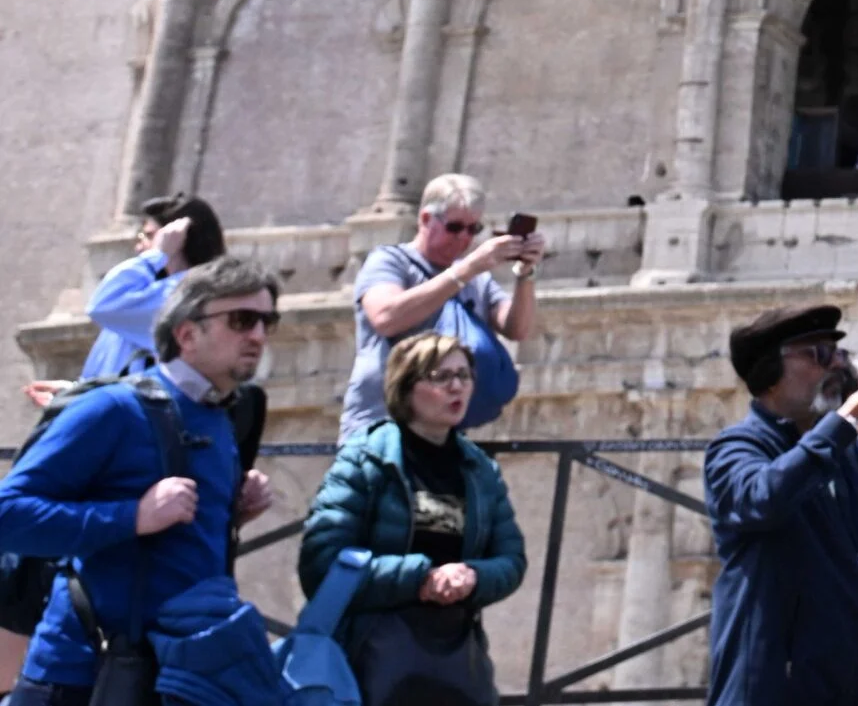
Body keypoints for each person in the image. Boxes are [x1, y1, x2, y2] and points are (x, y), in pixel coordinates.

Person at [0, 257, 282, 706]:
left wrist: (233, 515)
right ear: (186, 334)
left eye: (268, 321)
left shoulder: (221, 416)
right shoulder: (113, 408)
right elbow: (8, 516)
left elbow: (172, 545)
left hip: (176, 674)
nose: (258, 336)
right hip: (83, 676)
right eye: (242, 320)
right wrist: (132, 516)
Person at [701, 303, 858, 706]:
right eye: (820, 355)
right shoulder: (738, 448)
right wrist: (850, 413)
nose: (835, 367)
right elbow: (764, 497)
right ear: (770, 374)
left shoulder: (849, 454)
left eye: (840, 355)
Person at [299, 333, 526, 705]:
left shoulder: (480, 469)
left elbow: (511, 560)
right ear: (406, 387)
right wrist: (419, 578)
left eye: (464, 375)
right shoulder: (365, 457)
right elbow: (321, 563)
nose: (457, 386)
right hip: (371, 651)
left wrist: (473, 576)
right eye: (440, 377)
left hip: (455, 655)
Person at [341, 175, 546, 444]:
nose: (464, 238)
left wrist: (525, 273)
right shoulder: (390, 261)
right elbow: (386, 317)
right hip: (380, 429)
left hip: (442, 437)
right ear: (426, 219)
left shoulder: (477, 279)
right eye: (455, 227)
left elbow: (517, 328)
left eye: (473, 229)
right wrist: (465, 270)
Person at [81, 195, 224, 382]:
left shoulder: (188, 295)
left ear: (179, 240)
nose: (140, 247)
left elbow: (101, 305)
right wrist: (74, 392)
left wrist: (158, 255)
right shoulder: (152, 293)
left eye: (148, 236)